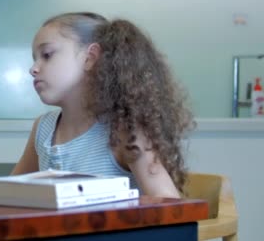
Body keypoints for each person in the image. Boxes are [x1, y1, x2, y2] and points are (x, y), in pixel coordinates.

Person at [12, 12, 194, 198]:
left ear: (90, 57)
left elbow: (168, 203)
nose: (33, 69)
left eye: (47, 55)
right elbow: (10, 195)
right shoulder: (43, 128)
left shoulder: (125, 131)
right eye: (35, 58)